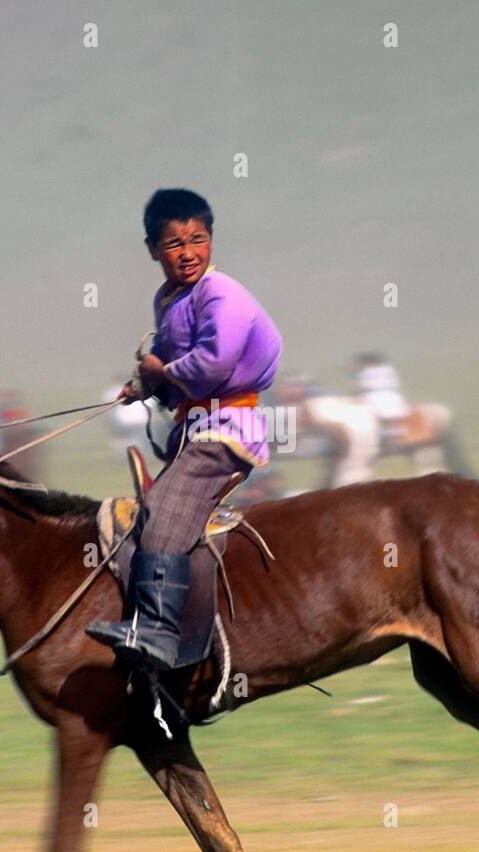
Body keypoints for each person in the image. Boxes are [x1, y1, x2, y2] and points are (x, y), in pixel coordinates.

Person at [86, 188, 283, 670]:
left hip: (227, 430)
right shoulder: (170, 298)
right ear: (153, 249)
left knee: (165, 510)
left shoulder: (221, 293)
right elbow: (180, 372)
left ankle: (156, 631)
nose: (188, 253)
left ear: (211, 239)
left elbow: (214, 365)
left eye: (198, 239)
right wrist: (150, 387)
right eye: (175, 244)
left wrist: (160, 371)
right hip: (195, 427)